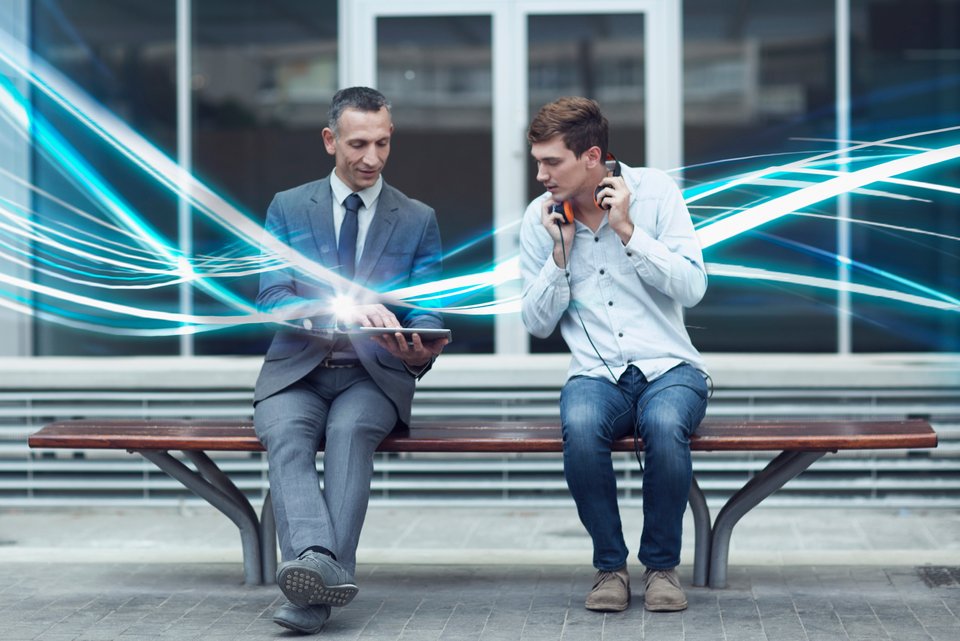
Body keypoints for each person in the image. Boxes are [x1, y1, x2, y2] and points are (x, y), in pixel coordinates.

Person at [253, 86, 448, 635]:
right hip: (295, 371)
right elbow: (272, 299)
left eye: (383, 144)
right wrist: (330, 311)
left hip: (372, 376)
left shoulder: (416, 218)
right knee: (287, 438)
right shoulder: (289, 207)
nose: (372, 158)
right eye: (359, 143)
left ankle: (310, 586)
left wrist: (419, 344)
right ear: (329, 140)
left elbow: (428, 309)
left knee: (350, 434)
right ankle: (321, 568)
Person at [519, 97, 709, 613]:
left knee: (666, 426)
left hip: (670, 366)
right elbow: (535, 325)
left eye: (550, 161)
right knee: (580, 426)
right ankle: (610, 569)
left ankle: (662, 568)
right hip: (595, 374)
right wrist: (560, 255)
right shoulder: (541, 220)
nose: (540, 174)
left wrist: (628, 231)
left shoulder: (655, 192)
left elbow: (693, 286)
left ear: (591, 156)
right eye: (537, 161)